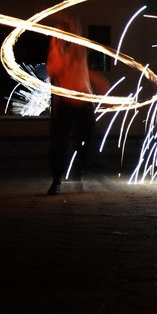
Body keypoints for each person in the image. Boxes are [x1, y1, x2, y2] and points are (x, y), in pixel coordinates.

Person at [45, 11, 109, 195]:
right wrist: (55, 40)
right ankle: (57, 179)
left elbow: (76, 30)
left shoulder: (78, 50)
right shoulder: (55, 55)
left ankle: (79, 170)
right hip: (65, 104)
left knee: (85, 140)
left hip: (84, 104)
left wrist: (69, 19)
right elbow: (52, 70)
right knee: (58, 142)